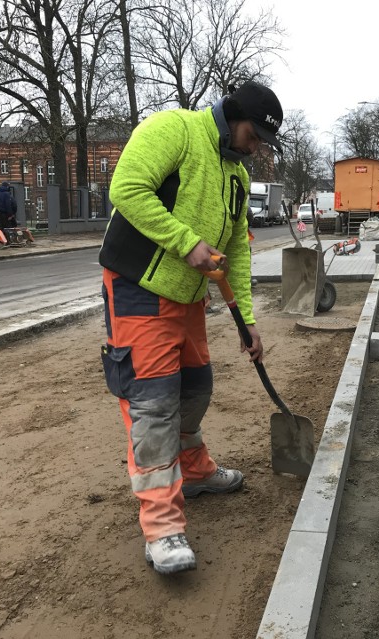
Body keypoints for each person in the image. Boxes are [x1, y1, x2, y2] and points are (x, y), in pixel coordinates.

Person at [98, 80, 283, 575]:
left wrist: (247, 321)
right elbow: (126, 189)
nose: (256, 148)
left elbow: (238, 251)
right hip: (139, 287)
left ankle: (195, 471)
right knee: (154, 404)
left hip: (188, 297)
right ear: (236, 115)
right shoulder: (175, 129)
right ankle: (162, 528)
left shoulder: (236, 175)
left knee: (196, 388)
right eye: (255, 136)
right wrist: (185, 242)